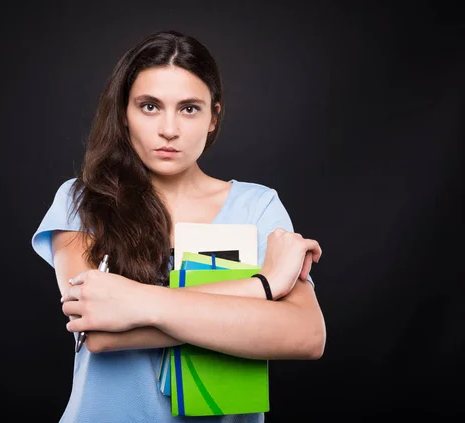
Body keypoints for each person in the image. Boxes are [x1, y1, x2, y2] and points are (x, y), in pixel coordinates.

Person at [31, 29, 325, 423]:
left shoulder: (256, 205)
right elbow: (96, 333)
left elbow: (304, 335)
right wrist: (263, 287)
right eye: (149, 106)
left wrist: (134, 305)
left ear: (212, 117)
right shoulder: (82, 200)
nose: (169, 129)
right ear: (124, 113)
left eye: (189, 108)